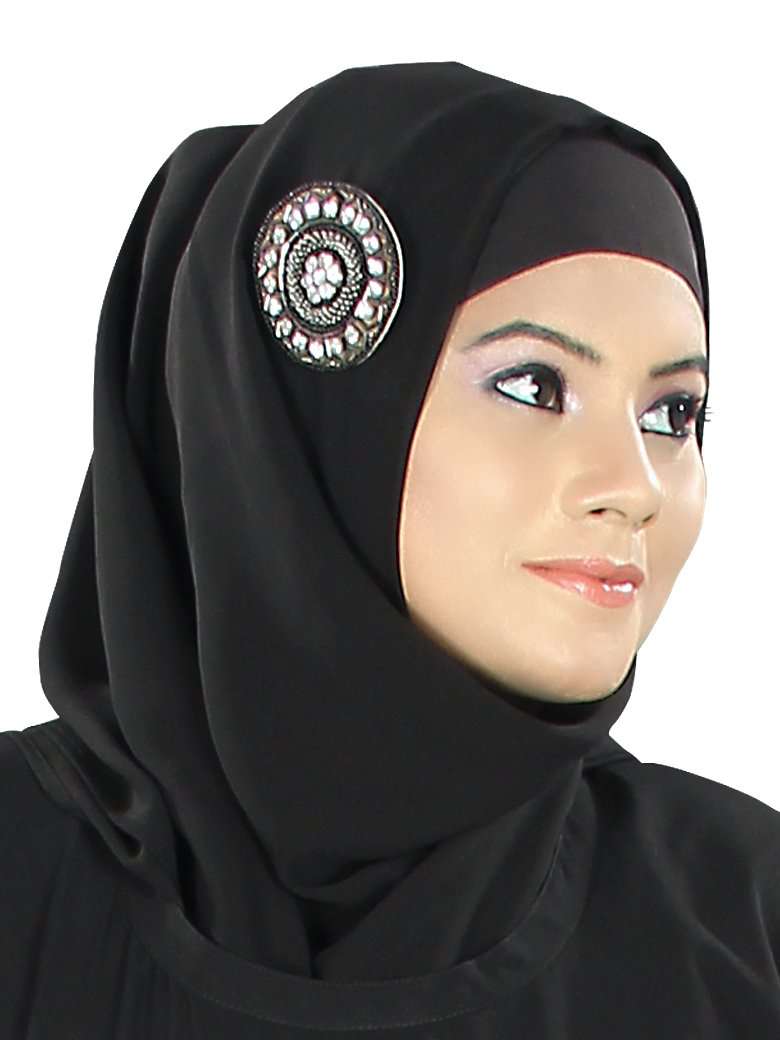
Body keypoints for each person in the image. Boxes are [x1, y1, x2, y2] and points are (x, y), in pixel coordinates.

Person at [1, 60, 778, 1036]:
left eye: (673, 413)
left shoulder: (744, 919)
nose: (636, 485)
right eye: (535, 386)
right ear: (304, 425)